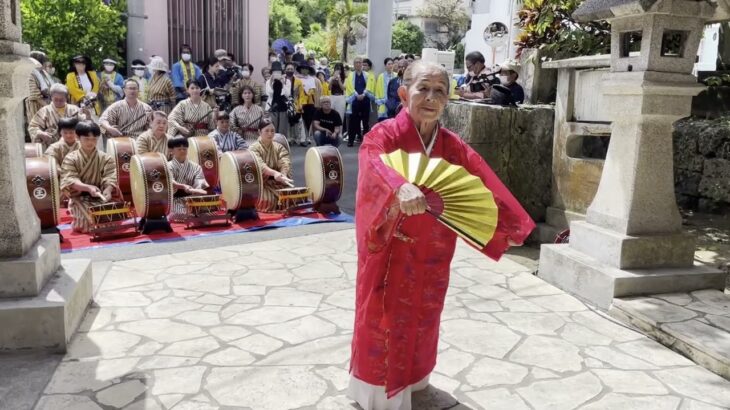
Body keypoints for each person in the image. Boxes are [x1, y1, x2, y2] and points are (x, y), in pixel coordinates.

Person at [348, 61, 535, 409]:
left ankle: (417, 382)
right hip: (390, 248)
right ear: (404, 94)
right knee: (382, 318)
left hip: (433, 249)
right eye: (423, 88)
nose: (431, 97)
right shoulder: (383, 136)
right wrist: (399, 187)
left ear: (447, 100)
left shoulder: (452, 146)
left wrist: (511, 224)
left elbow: (483, 181)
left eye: (440, 91)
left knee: (425, 315)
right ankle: (375, 391)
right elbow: (373, 165)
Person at [60, 120, 119, 233]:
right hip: (79, 197)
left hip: (100, 197)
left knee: (112, 217)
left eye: (94, 139)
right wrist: (88, 188)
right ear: (78, 137)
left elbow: (110, 175)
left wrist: (108, 189)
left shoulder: (106, 158)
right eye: (86, 139)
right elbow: (70, 179)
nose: (90, 142)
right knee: (87, 222)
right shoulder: (70, 158)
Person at [248, 118, 295, 212]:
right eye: (267, 131)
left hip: (278, 182)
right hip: (262, 184)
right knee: (268, 201)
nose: (270, 134)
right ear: (259, 132)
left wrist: (283, 174)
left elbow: (285, 160)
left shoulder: (278, 147)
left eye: (272, 131)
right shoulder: (253, 148)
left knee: (293, 197)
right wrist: (274, 173)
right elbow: (259, 165)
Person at [166, 137, 209, 222]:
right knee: (179, 214)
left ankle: (196, 215)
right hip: (175, 199)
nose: (182, 151)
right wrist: (183, 186)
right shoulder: (167, 166)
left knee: (208, 213)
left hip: (191, 198)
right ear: (172, 151)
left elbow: (200, 181)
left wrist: (196, 189)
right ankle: (194, 216)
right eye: (179, 149)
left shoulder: (196, 167)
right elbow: (170, 181)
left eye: (184, 149)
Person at [28, 84, 82, 148]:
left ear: (66, 98)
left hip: (72, 146)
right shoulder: (44, 111)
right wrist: (40, 133)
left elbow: (84, 126)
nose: (58, 102)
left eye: (61, 100)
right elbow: (33, 127)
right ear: (51, 97)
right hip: (51, 146)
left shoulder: (74, 110)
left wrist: (88, 117)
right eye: (56, 99)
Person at [345, 57, 376, 147]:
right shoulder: (350, 75)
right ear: (354, 65)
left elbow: (370, 86)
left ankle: (365, 141)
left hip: (365, 99)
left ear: (362, 64)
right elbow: (349, 86)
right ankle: (351, 140)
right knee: (353, 121)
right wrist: (356, 95)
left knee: (365, 121)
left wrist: (363, 94)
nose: (358, 64)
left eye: (359, 62)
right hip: (355, 100)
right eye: (356, 63)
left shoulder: (367, 75)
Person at [296, 63, 322, 146]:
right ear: (300, 70)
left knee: (309, 120)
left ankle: (308, 137)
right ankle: (301, 137)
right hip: (300, 102)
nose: (304, 70)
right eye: (303, 68)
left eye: (306, 69)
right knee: (301, 120)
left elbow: (316, 90)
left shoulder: (313, 79)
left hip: (310, 102)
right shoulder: (296, 79)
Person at [26, 51, 54, 122]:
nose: (45, 63)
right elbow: (34, 95)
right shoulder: (29, 74)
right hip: (37, 107)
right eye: (43, 60)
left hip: (49, 105)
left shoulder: (44, 73)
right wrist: (49, 108)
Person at [265, 62, 291, 137]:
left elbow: (287, 94)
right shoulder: (268, 82)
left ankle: (282, 144)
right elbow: (269, 93)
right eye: (275, 72)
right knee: (272, 127)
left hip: (283, 107)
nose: (276, 73)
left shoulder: (287, 81)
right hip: (272, 107)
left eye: (278, 72)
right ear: (271, 73)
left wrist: (282, 84)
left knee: (282, 129)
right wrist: (271, 82)